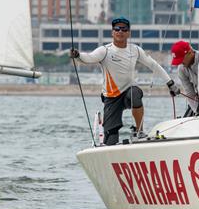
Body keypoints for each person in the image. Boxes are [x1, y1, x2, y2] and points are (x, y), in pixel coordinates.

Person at [71, 17, 178, 145]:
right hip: (111, 97)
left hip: (129, 92)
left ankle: (139, 131)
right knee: (111, 139)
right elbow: (88, 58)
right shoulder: (105, 51)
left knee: (135, 94)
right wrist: (77, 55)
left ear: (128, 33)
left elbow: (154, 65)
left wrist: (170, 84)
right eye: (117, 29)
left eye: (124, 29)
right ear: (112, 32)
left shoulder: (135, 50)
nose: (120, 31)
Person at [170, 40, 199, 117]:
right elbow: (190, 93)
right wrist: (197, 112)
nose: (180, 63)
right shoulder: (181, 69)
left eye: (181, 59)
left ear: (190, 52)